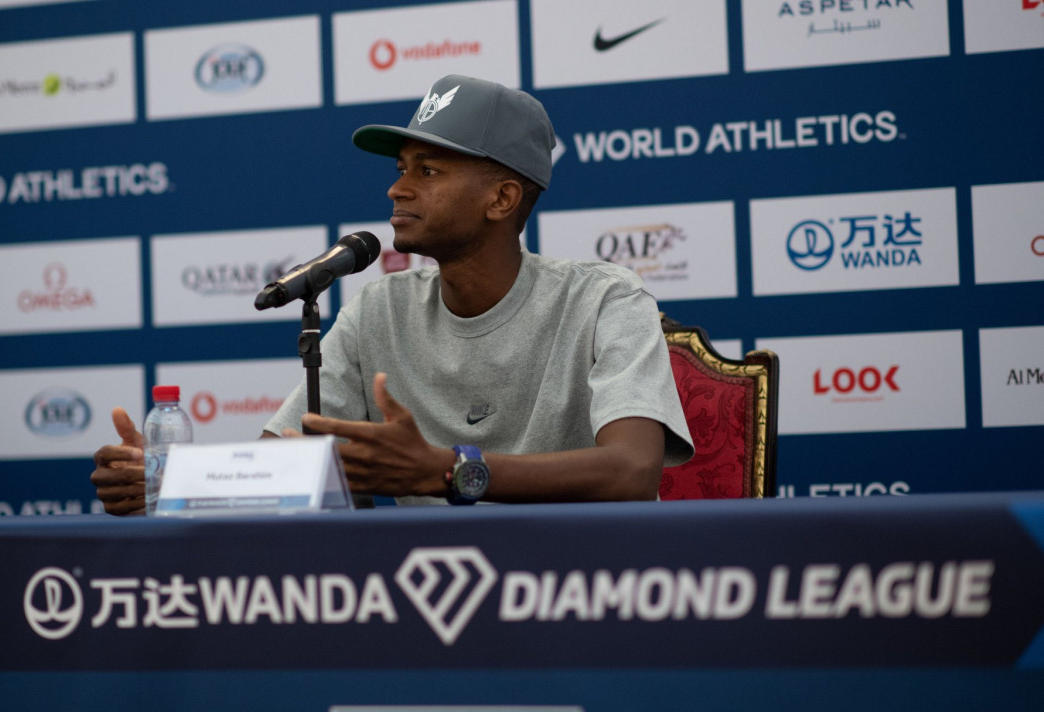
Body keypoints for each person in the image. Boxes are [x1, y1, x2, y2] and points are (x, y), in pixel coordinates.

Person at [91, 74, 693, 514]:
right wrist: (172, 482)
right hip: (416, 595)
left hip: (578, 592)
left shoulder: (604, 299)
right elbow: (282, 463)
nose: (396, 190)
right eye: (401, 168)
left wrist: (448, 472)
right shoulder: (378, 309)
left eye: (427, 171)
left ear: (502, 199)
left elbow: (633, 471)